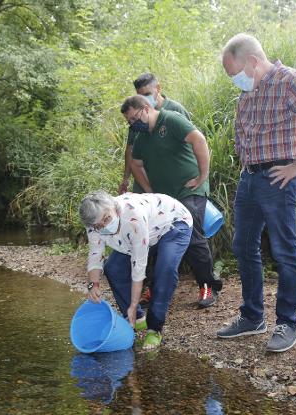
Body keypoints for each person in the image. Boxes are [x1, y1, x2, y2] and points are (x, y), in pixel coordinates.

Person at [216, 33, 296, 352]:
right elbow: (243, 138)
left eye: (235, 74)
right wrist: (245, 167)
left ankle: (287, 323)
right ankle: (252, 317)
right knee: (242, 245)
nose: (235, 81)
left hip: (280, 175)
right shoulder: (247, 96)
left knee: (284, 249)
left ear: (253, 62)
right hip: (250, 177)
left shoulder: (289, 80)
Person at [120, 95, 223, 308]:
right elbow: (136, 164)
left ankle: (208, 286)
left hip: (190, 189)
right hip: (164, 200)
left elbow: (199, 140)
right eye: (129, 122)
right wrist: (150, 192)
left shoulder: (171, 119)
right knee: (153, 238)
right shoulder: (140, 137)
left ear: (146, 108)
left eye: (134, 118)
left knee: (192, 235)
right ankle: (154, 288)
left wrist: (203, 176)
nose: (132, 124)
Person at [81, 191, 192, 350]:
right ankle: (138, 318)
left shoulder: (132, 216)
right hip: (137, 235)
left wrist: (134, 303)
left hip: (172, 223)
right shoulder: (93, 224)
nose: (104, 226)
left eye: (107, 219)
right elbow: (95, 254)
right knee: (113, 269)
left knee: (164, 272)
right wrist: (93, 285)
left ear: (115, 209)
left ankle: (154, 328)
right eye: (99, 225)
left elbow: (138, 267)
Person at [118, 73, 191, 195]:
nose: (144, 99)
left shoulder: (175, 110)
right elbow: (130, 148)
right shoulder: (136, 117)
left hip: (173, 180)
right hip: (144, 180)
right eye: (140, 96)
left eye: (147, 94)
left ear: (158, 88)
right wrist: (126, 179)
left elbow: (193, 141)